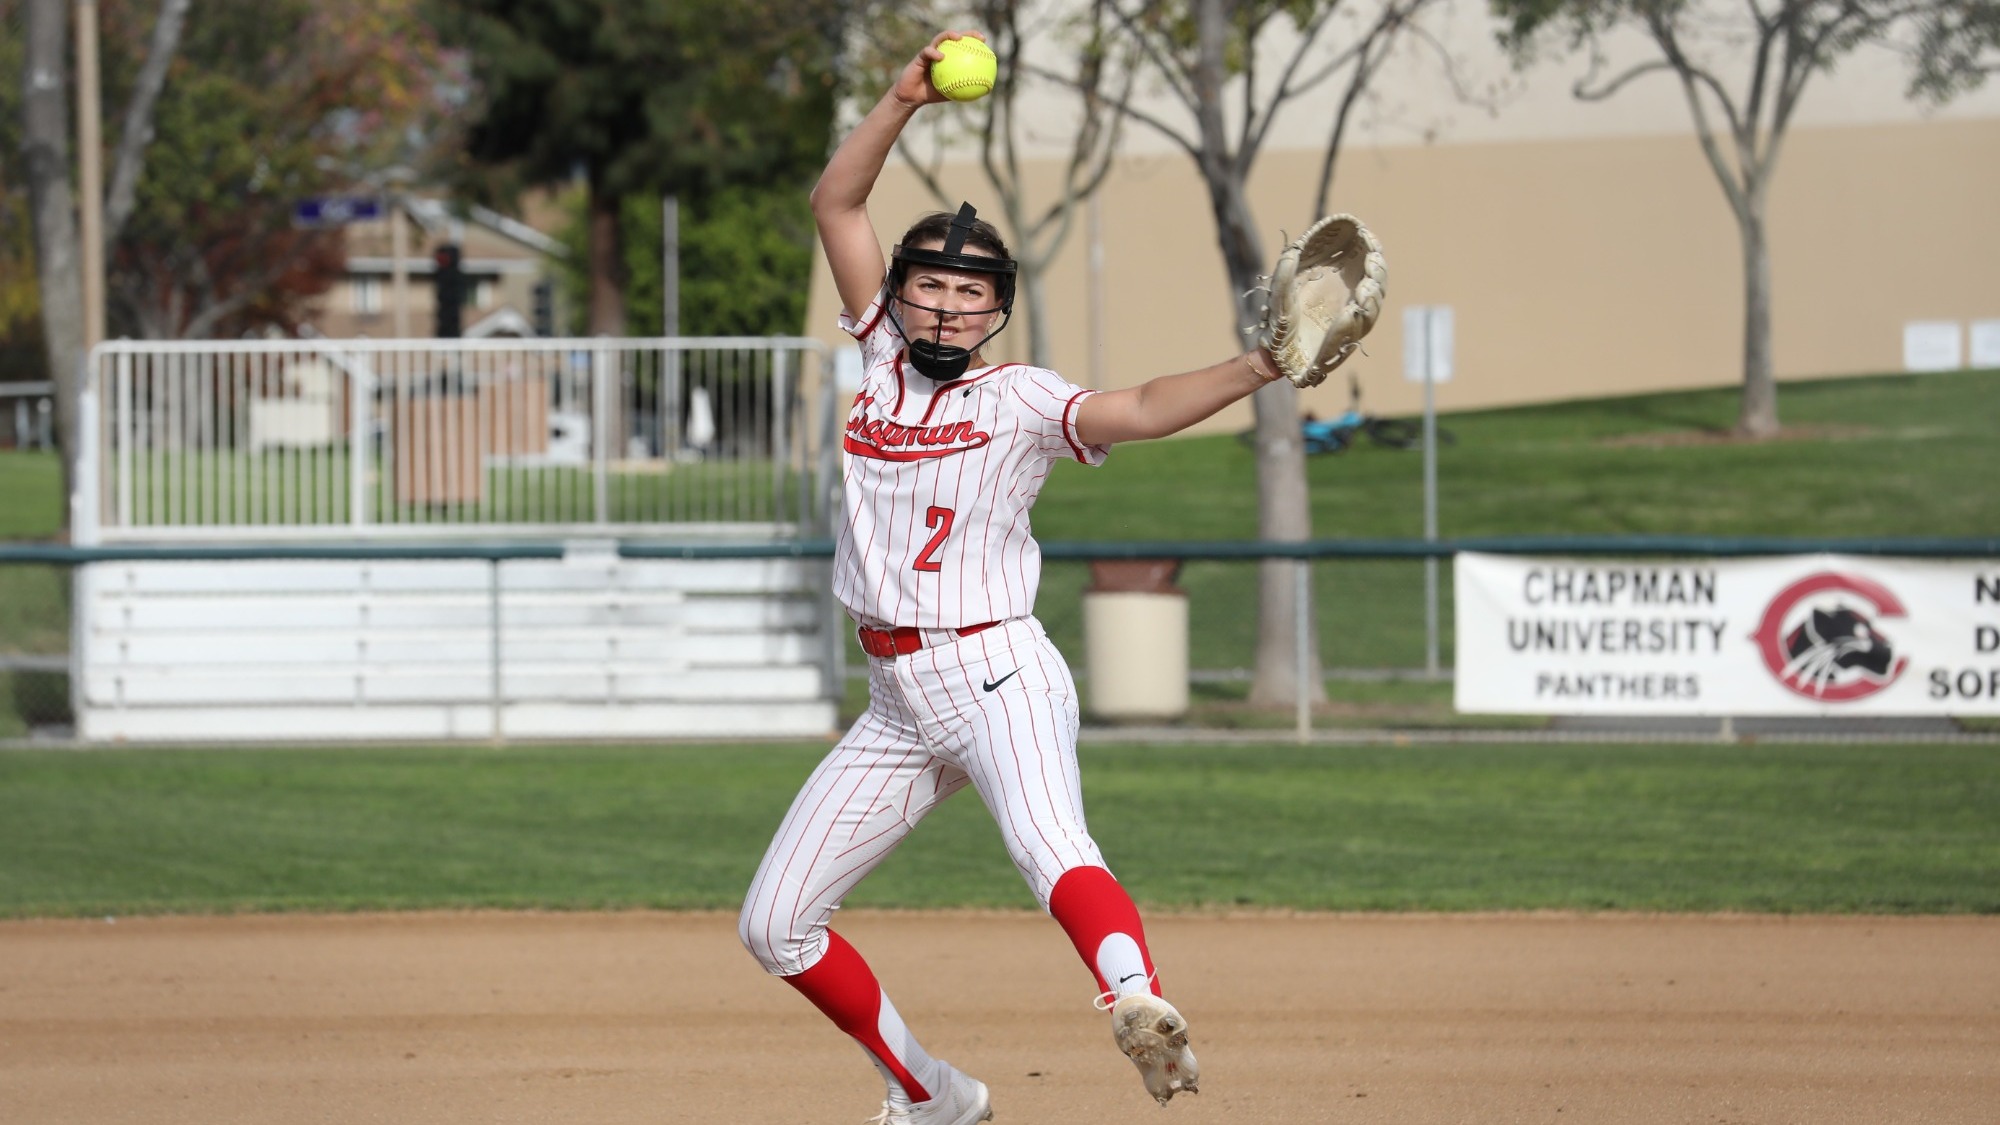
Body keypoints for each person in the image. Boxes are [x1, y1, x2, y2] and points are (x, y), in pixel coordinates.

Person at [738, 29, 1288, 1125]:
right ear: (896, 296)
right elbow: (836, 205)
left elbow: (1132, 409)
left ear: (996, 308)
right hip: (893, 699)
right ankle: (932, 1095)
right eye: (927, 285)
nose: (944, 305)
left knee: (1050, 847)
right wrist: (902, 96)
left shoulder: (1020, 399)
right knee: (774, 924)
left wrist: (1258, 365)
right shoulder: (877, 361)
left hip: (994, 674)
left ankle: (1137, 1000)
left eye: (967, 291)